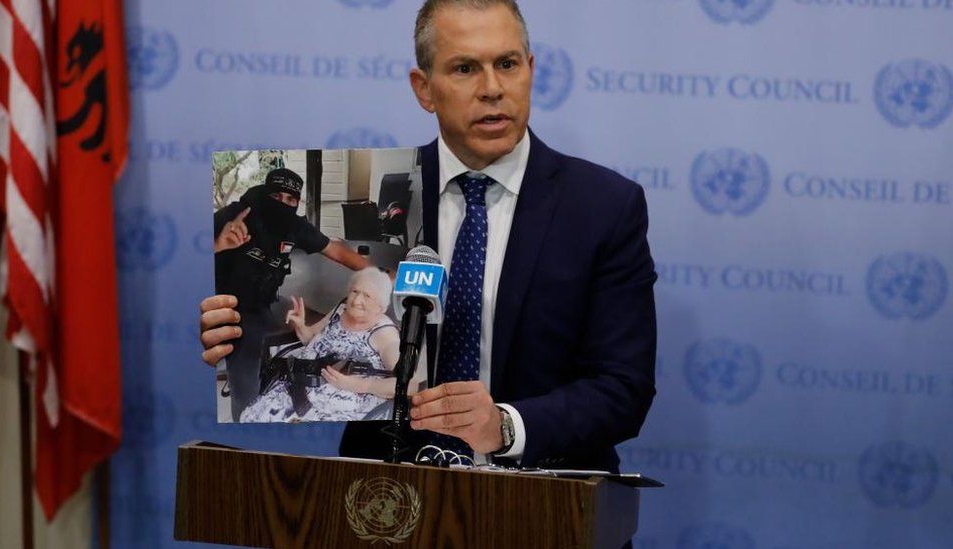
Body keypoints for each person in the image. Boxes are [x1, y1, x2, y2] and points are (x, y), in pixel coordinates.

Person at [201, 0, 656, 473]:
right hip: (388, 496)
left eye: (507, 64)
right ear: (424, 89)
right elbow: (351, 347)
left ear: (531, 70)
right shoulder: (401, 195)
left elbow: (624, 388)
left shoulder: (604, 207)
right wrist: (227, 330)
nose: (493, 89)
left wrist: (506, 426)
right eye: (464, 68)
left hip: (544, 503)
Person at [213, 167, 371, 421]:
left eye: (291, 200)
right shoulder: (237, 214)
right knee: (246, 378)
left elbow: (336, 250)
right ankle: (245, 424)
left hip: (267, 302)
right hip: (230, 308)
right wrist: (217, 243)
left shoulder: (294, 226)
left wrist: (381, 273)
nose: (283, 204)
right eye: (276, 196)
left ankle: (296, 389)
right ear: (265, 193)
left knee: (329, 323)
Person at [239, 268, 404, 423]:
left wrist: (360, 385)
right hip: (296, 386)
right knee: (248, 419)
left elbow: (409, 384)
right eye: (355, 291)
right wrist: (300, 325)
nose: (356, 300)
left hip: (331, 410)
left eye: (367, 296)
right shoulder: (342, 309)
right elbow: (312, 339)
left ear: (381, 307)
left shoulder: (385, 335)